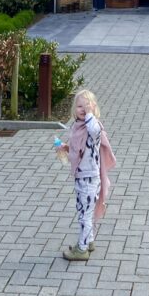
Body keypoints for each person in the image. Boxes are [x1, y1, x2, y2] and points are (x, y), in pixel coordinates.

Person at [57, 88, 116, 262]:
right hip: (81, 177)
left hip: (89, 178)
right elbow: (79, 150)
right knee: (84, 211)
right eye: (79, 106)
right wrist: (66, 148)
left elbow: (95, 132)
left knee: (85, 214)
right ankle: (88, 241)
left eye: (87, 106)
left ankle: (82, 249)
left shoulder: (93, 125)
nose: (83, 109)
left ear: (94, 108)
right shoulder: (78, 127)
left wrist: (90, 114)